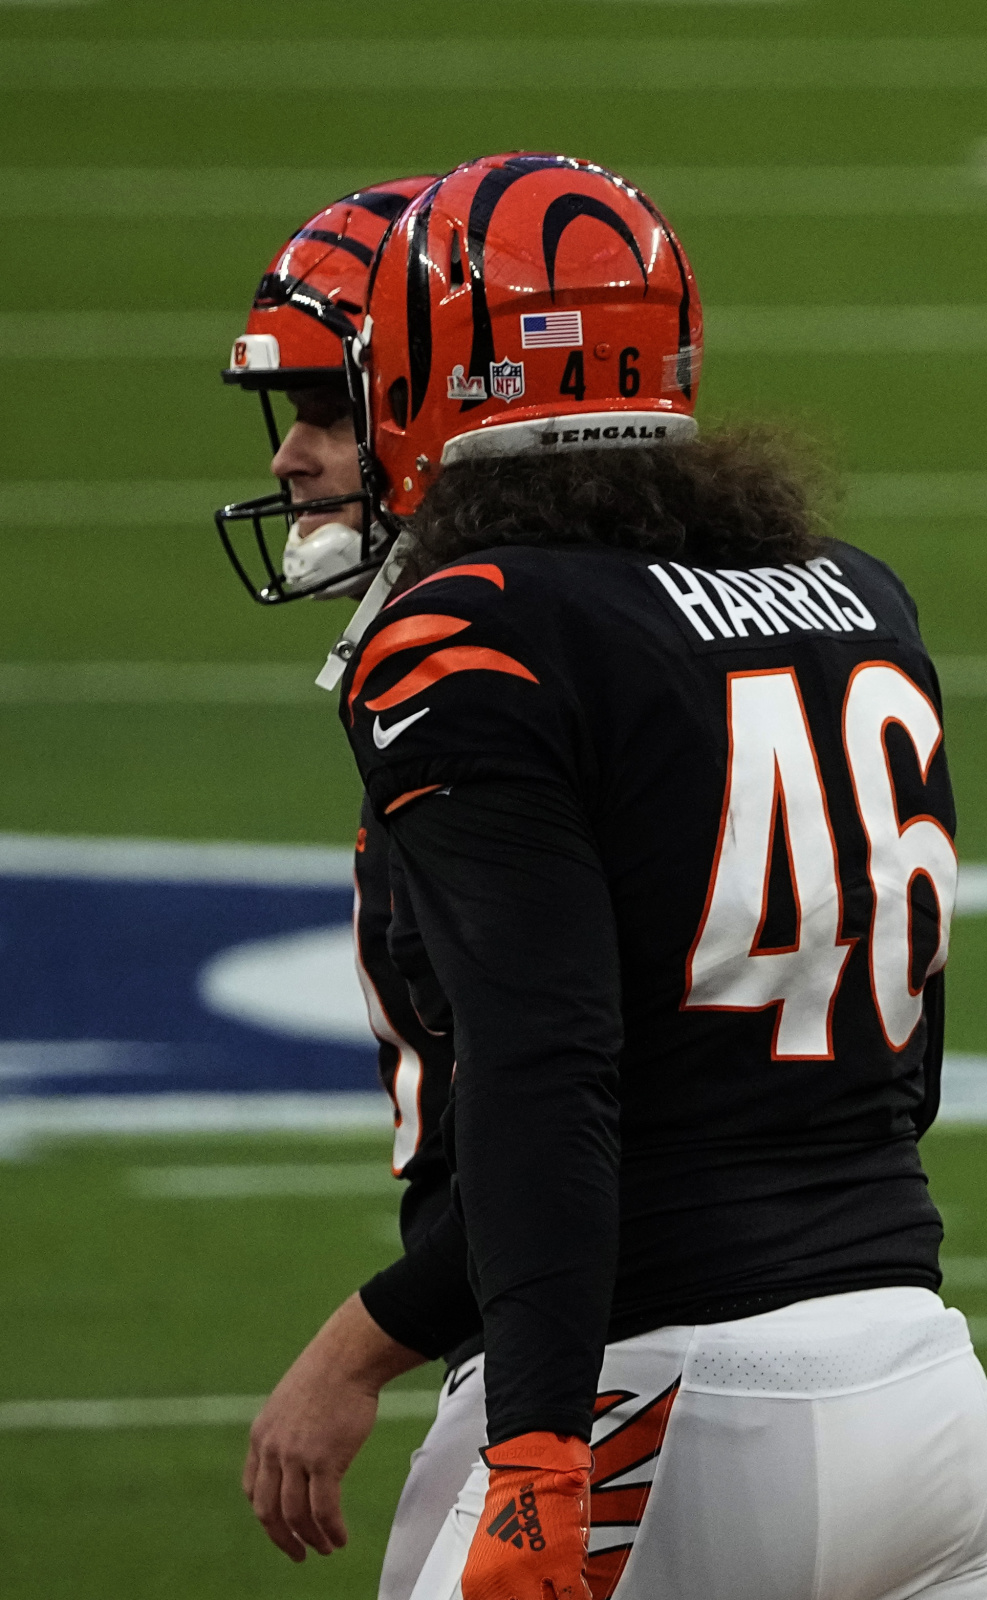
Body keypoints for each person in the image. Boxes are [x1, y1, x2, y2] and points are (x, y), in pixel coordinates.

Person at [326, 150, 987, 1600]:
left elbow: (548, 1063)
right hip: (918, 1371)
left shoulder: (477, 631)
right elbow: (905, 1054)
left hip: (659, 1392)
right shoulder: (852, 592)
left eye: (344, 390)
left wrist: (538, 1452)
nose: (294, 454)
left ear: (431, 379)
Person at [215, 179, 494, 1600]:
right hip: (879, 1337)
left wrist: (354, 1346)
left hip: (622, 1351)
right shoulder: (714, 615)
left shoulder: (482, 686)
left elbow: (573, 1096)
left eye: (331, 410)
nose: (295, 460)